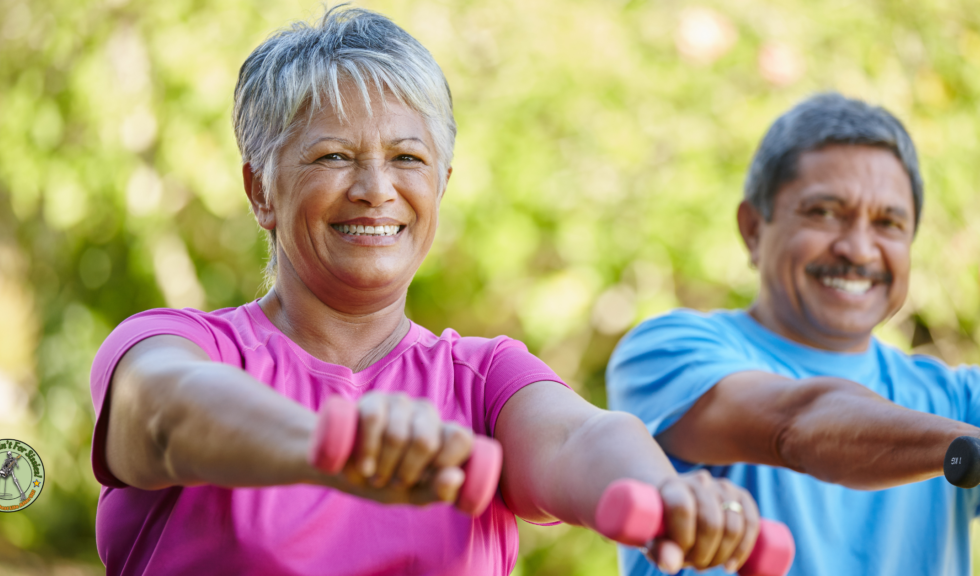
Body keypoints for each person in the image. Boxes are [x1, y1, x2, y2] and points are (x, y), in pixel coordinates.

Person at [89, 6, 762, 576]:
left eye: (407, 158)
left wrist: (667, 496)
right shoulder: (179, 346)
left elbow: (579, 440)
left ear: (440, 183)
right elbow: (170, 412)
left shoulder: (483, 378)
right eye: (333, 156)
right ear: (261, 190)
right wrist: (337, 446)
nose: (376, 188)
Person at [607, 92, 980, 576]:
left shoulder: (958, 398)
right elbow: (797, 424)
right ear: (753, 229)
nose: (858, 249)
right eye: (824, 212)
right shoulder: (668, 351)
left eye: (888, 223)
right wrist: (964, 450)